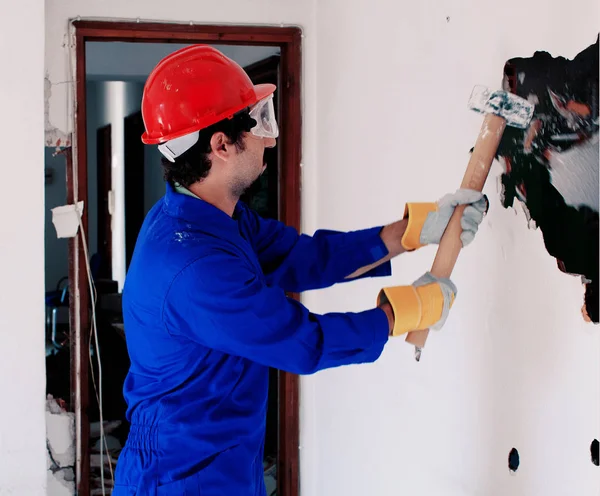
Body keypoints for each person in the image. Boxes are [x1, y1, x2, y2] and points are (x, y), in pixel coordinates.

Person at [112, 45, 488, 495]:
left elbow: (303, 258)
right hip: (181, 475)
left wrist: (409, 232)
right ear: (221, 145)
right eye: (259, 124)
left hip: (219, 458)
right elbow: (301, 343)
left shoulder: (210, 215)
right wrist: (404, 312)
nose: (270, 139)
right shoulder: (193, 266)